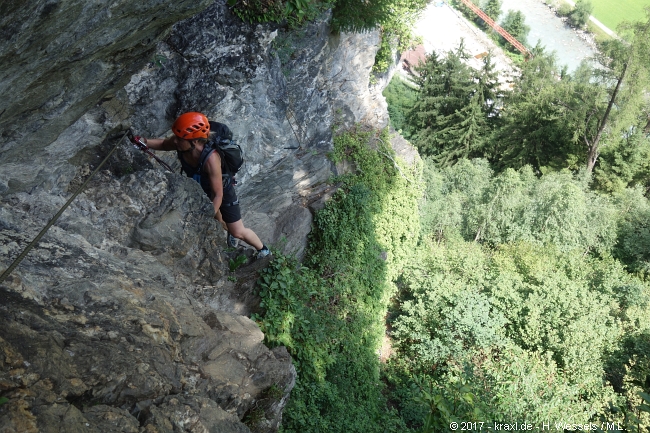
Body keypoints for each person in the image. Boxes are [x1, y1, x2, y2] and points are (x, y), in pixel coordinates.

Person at [132, 112, 270, 258]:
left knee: (238, 231)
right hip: (201, 188)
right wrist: (143, 141)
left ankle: (264, 250)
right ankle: (226, 227)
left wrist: (205, 217)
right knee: (219, 220)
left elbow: (218, 195)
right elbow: (163, 144)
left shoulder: (211, 159)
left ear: (195, 141)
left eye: (180, 139)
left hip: (222, 190)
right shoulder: (182, 143)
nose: (176, 142)